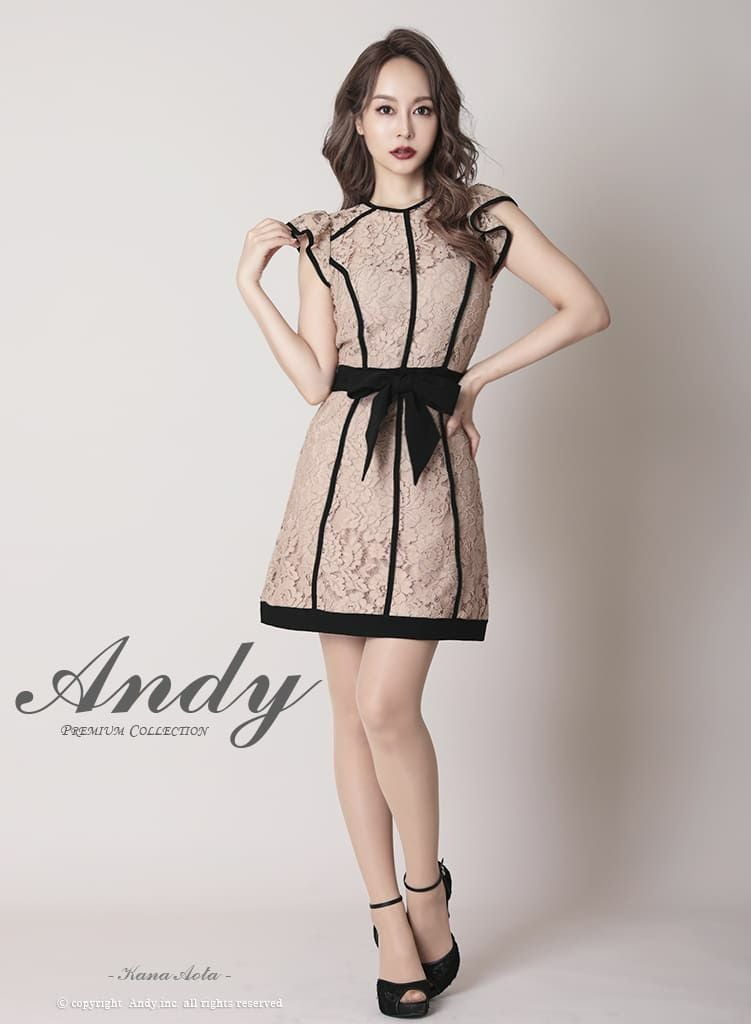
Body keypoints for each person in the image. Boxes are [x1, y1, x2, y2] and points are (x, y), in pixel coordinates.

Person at [236, 27, 611, 1019]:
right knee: (348, 713)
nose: (404, 125)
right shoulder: (325, 236)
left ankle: (426, 889)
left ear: (441, 120)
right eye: (385, 108)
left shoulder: (483, 218)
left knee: (386, 704)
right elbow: (314, 379)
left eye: (422, 107)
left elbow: (585, 307)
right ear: (357, 122)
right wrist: (250, 288)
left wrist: (472, 382)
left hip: (430, 473)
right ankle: (389, 920)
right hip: (335, 483)